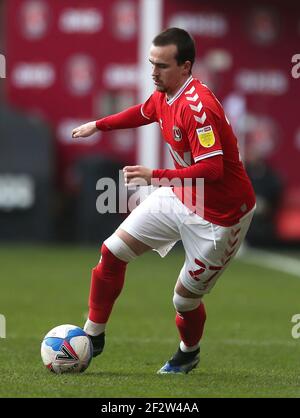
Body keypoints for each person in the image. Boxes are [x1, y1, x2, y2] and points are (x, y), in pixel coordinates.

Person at [72, 28, 256, 374]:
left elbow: (213, 169)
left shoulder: (197, 108)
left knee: (183, 300)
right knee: (112, 251)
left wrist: (154, 176)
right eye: (151, 64)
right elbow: (143, 112)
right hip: (181, 196)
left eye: (162, 66)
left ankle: (189, 351)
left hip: (221, 218)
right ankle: (92, 335)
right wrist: (98, 125)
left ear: (186, 67)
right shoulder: (166, 93)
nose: (153, 73)